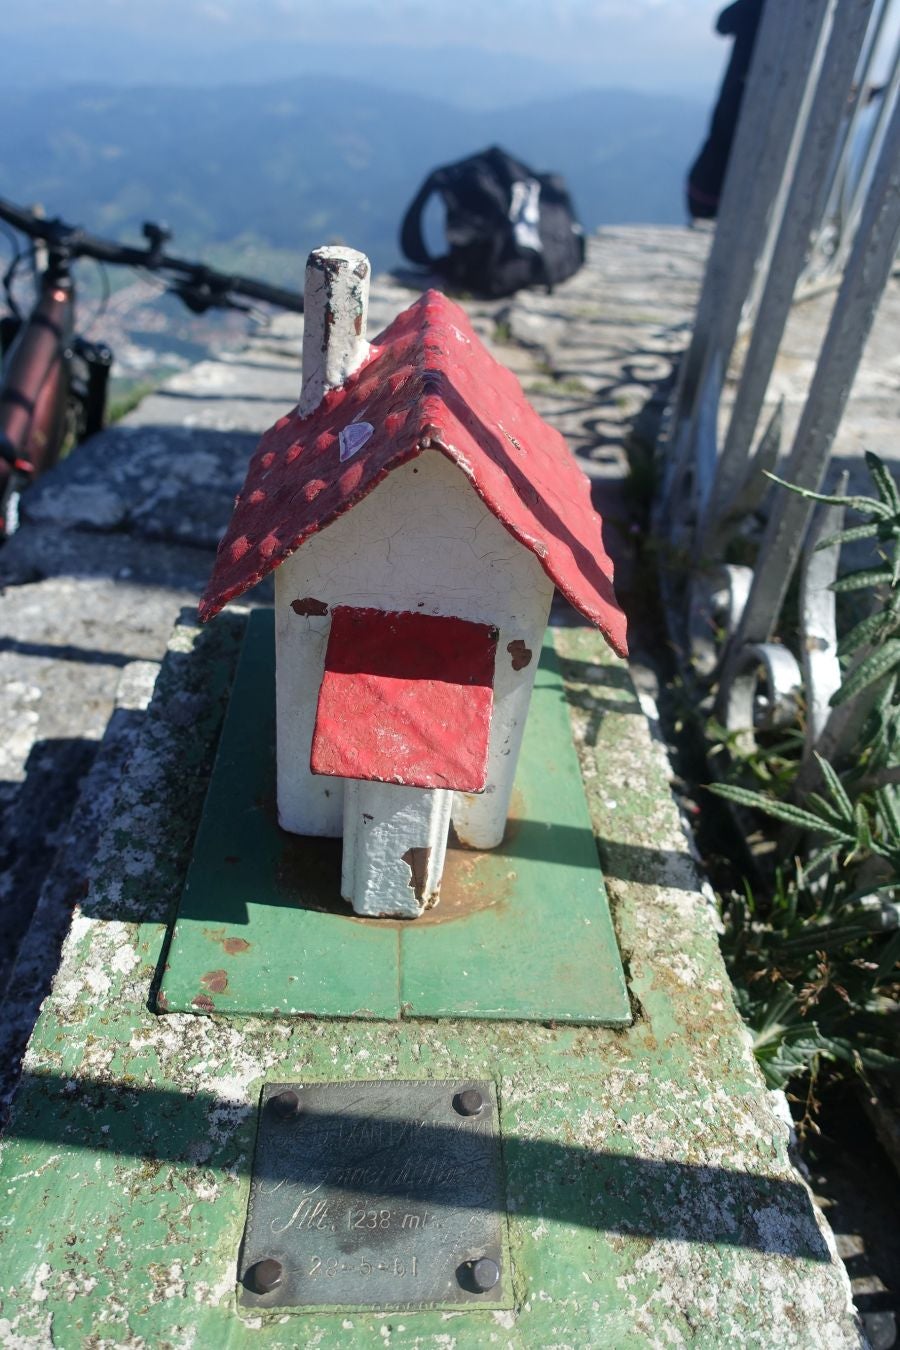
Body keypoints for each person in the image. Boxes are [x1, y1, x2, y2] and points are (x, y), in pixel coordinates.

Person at [687, 0, 766, 220]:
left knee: (722, 144)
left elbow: (723, 24)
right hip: (755, 101)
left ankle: (706, 206)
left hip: (736, 94)